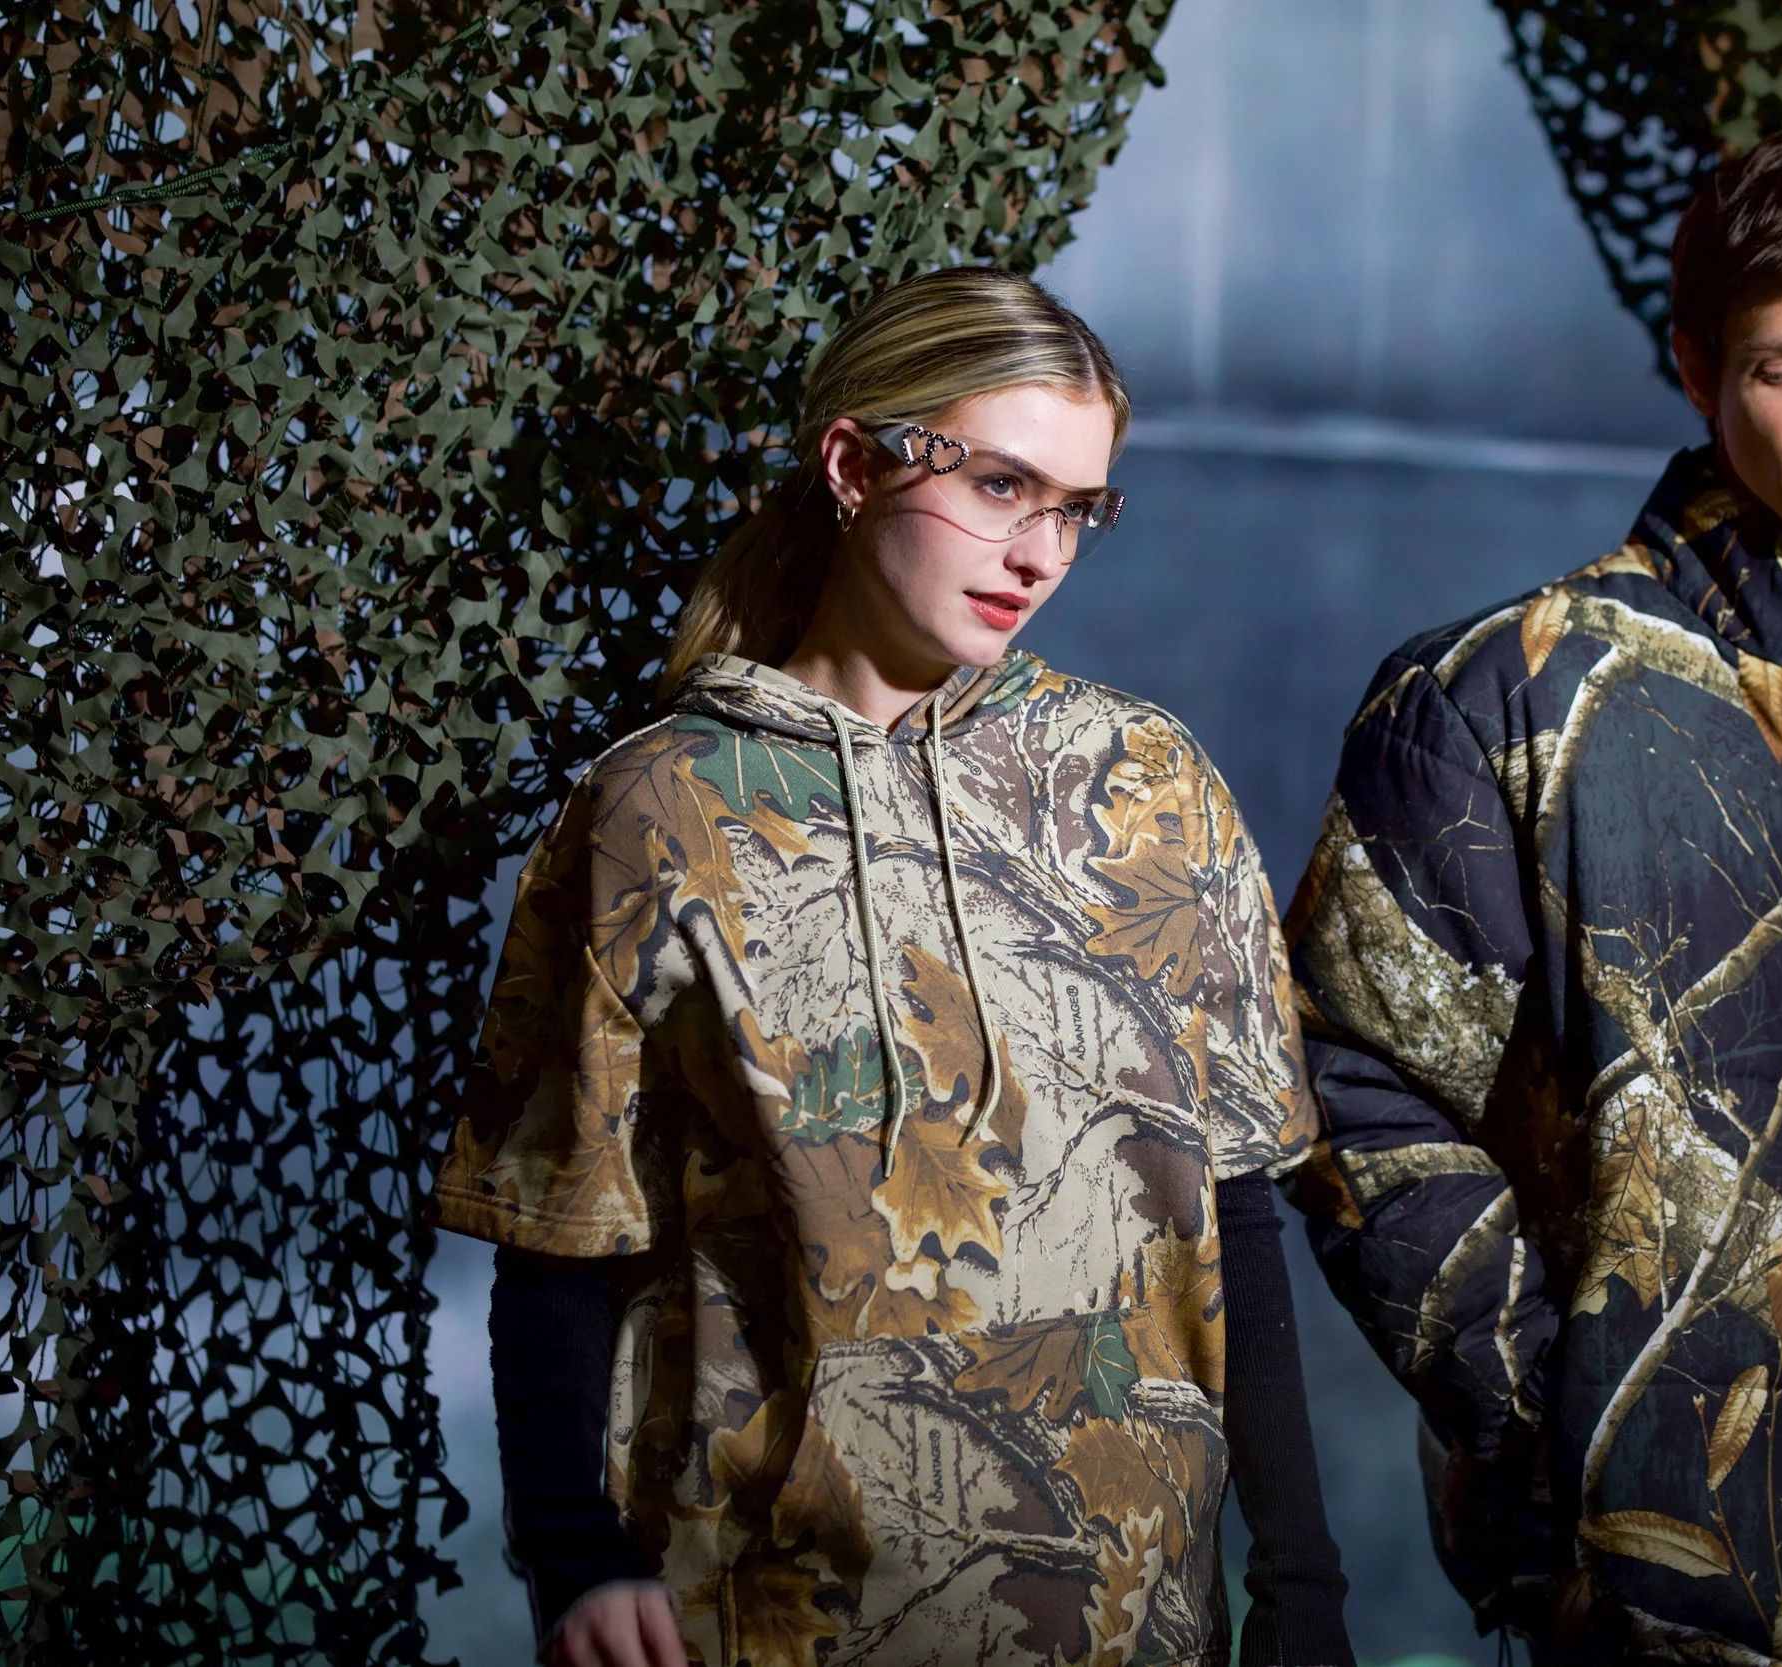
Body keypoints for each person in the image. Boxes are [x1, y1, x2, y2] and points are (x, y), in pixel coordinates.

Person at [432, 266, 1354, 1667]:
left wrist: (1301, 1586)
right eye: (1000, 486)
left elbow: (1229, 1209)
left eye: (1077, 508)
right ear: (855, 466)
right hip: (764, 1616)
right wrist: (575, 1557)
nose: (1040, 553)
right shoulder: (661, 808)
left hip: (1136, 1622)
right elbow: (559, 1230)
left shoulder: (1147, 785)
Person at [1281, 126, 1782, 1665]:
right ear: (1699, 366)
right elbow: (1346, 1092)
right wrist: (1580, 1424)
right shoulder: (1498, 696)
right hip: (1643, 1595)